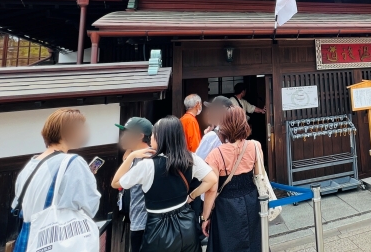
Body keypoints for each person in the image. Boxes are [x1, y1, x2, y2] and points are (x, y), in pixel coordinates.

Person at [112, 116, 218, 252]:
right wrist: (192, 196)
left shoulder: (148, 165)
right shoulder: (191, 158)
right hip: (186, 225)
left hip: (157, 228)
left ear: (160, 137)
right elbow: (212, 180)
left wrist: (132, 156)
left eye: (154, 135)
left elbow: (116, 183)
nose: (151, 138)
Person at [10, 108, 100, 252]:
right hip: (54, 240)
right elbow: (90, 206)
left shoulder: (31, 164)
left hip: (25, 239)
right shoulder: (73, 162)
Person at [202, 108, 262, 252]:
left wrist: (205, 218)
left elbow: (211, 190)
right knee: (253, 240)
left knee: (227, 243)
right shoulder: (255, 145)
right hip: (252, 199)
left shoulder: (215, 155)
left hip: (226, 205)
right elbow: (258, 176)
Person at [115, 117, 153, 252]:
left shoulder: (145, 159)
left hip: (143, 223)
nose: (123, 137)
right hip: (137, 219)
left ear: (140, 136)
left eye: (127, 133)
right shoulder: (134, 155)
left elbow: (115, 182)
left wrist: (130, 156)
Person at [196, 96, 233, 161]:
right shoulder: (234, 133)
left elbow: (197, 162)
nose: (208, 113)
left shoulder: (211, 137)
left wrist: (207, 137)